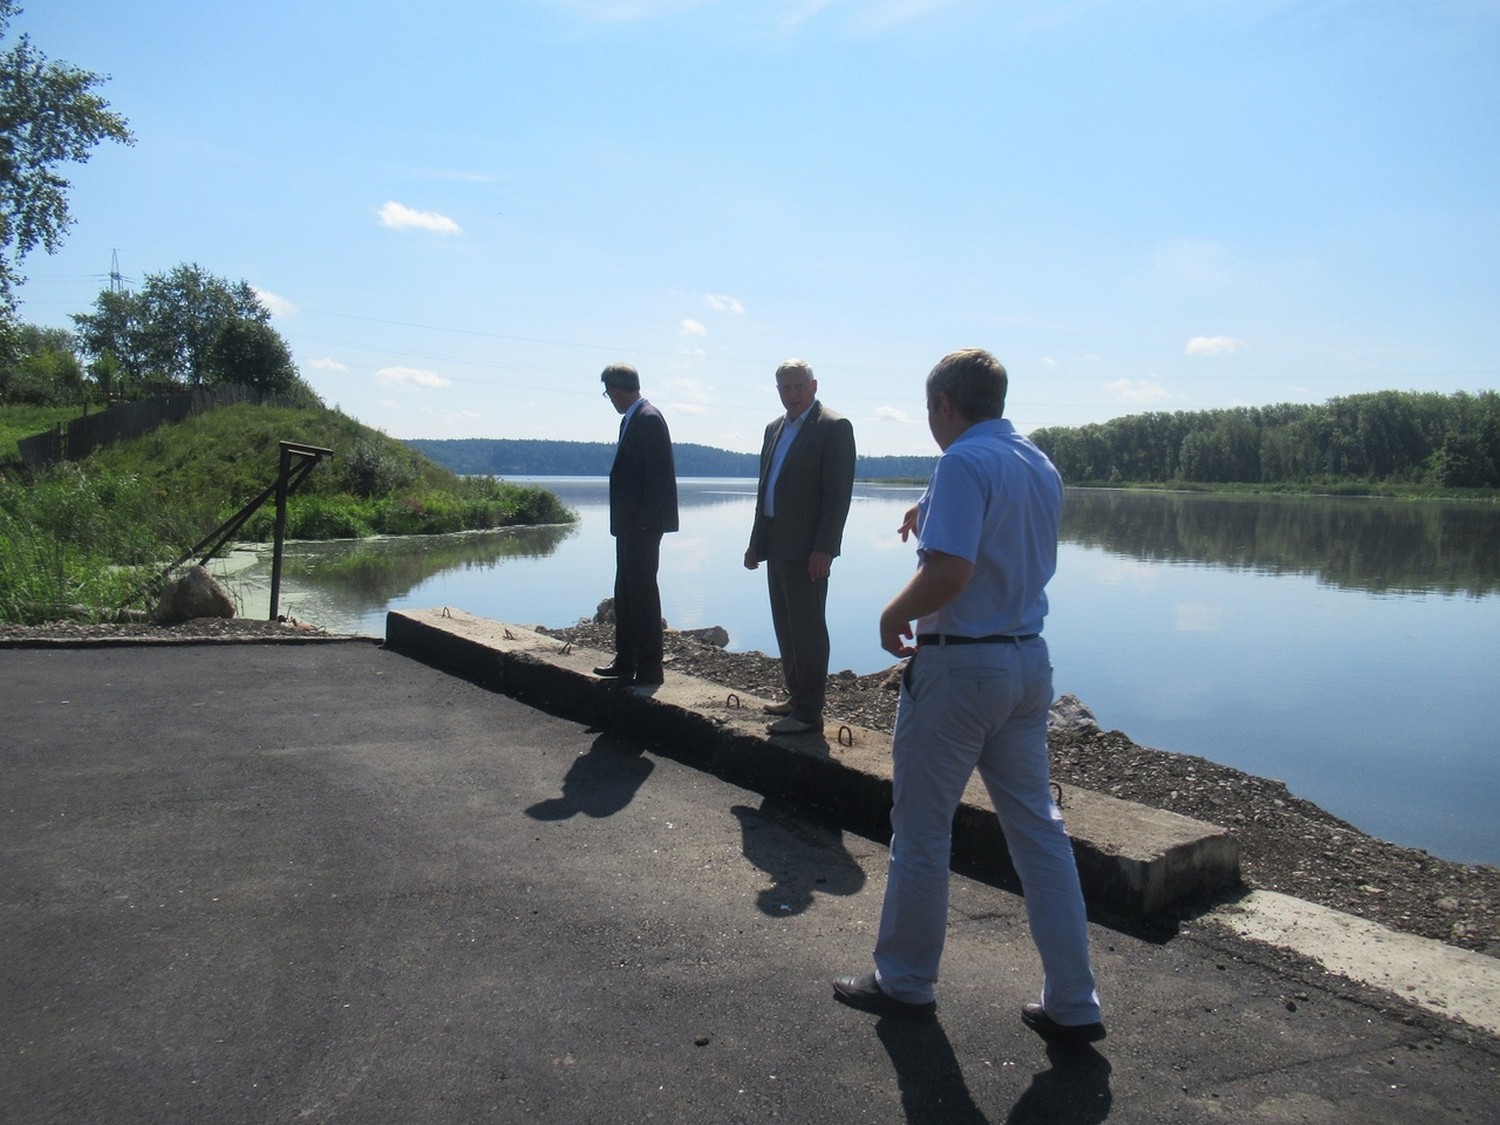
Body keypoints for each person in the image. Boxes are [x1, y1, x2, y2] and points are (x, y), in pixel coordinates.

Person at [833, 348, 1104, 1045]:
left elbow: (951, 572)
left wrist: (893, 615)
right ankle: (1074, 999)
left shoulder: (962, 462)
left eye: (930, 410)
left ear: (947, 404)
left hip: (960, 669)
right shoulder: (1037, 463)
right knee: (1040, 834)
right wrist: (933, 504)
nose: (930, 422)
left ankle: (906, 981)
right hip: (1026, 663)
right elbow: (996, 532)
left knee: (922, 829)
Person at [743, 359, 856, 735]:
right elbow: (766, 490)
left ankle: (809, 713)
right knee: (785, 625)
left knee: (808, 628)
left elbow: (837, 497)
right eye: (784, 388)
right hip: (776, 543)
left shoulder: (833, 427)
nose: (791, 394)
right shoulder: (774, 428)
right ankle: (796, 697)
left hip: (809, 549)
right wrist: (755, 544)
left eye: (797, 387)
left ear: (813, 385)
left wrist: (825, 549)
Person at [593, 363, 678, 687]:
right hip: (630, 526)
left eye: (608, 393)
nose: (610, 400)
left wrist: (642, 524)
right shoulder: (634, 420)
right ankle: (626, 659)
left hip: (641, 527)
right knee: (626, 593)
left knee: (642, 595)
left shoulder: (648, 419)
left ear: (616, 390)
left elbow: (658, 480)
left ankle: (649, 667)